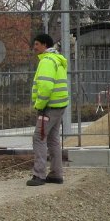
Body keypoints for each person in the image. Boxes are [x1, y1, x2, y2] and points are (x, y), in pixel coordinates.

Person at [29, 32, 68, 186]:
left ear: (45, 45)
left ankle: (39, 175)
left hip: (49, 107)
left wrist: (39, 105)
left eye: (37, 44)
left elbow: (45, 86)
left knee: (38, 138)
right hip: (59, 106)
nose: (34, 48)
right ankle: (56, 174)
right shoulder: (57, 59)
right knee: (53, 140)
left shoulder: (46, 61)